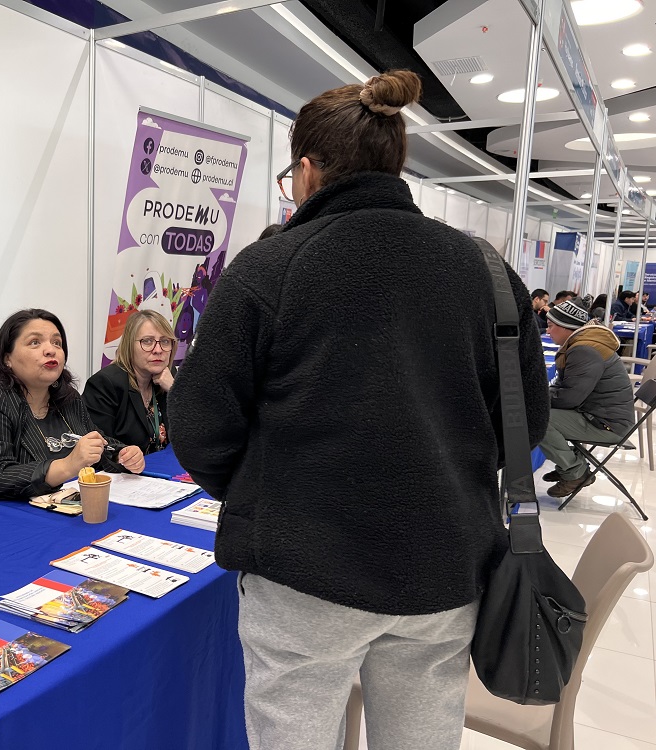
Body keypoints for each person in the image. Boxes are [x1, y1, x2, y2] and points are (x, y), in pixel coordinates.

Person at [168, 70, 549, 750]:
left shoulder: (268, 269)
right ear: (393, 162)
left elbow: (199, 428)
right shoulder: (488, 274)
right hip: (445, 569)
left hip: (303, 575)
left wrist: (271, 492)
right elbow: (525, 425)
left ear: (308, 171)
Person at [0, 309, 145, 522]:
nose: (50, 350)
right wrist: (67, 465)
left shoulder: (68, 398)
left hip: (44, 517)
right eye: (35, 342)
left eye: (57, 343)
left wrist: (120, 454)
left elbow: (93, 442)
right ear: (6, 358)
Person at [538, 299, 636, 496]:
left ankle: (575, 472)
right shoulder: (582, 344)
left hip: (606, 424)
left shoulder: (584, 350)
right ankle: (571, 466)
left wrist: (537, 400)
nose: (547, 332)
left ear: (567, 327)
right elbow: (564, 386)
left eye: (550, 326)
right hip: (600, 415)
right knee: (539, 411)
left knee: (537, 418)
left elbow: (569, 398)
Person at [82, 310, 177, 455]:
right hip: (124, 474)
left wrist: (175, 391)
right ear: (129, 346)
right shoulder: (105, 384)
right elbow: (100, 445)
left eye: (164, 341)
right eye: (147, 341)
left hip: (166, 472)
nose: (158, 350)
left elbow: (198, 431)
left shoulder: (168, 379)